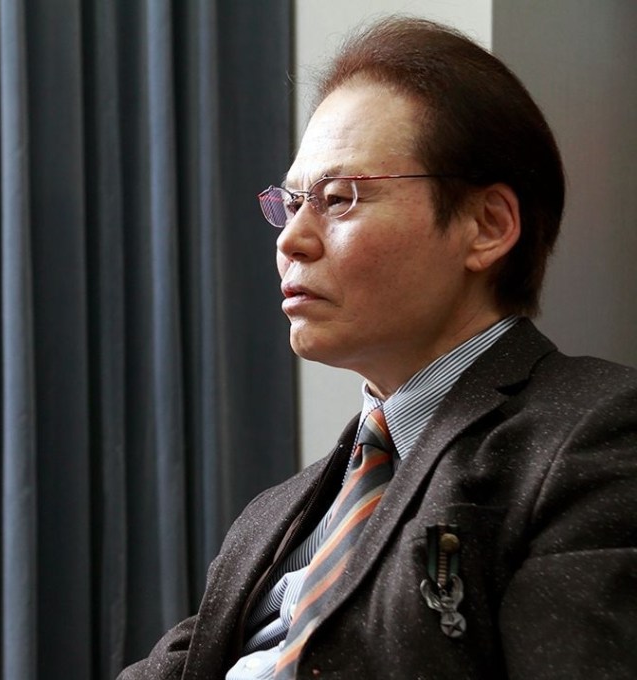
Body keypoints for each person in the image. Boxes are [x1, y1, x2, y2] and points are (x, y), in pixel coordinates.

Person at [118, 16, 637, 680]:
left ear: (487, 226)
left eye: (338, 198)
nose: (290, 240)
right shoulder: (273, 518)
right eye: (291, 204)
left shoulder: (593, 436)